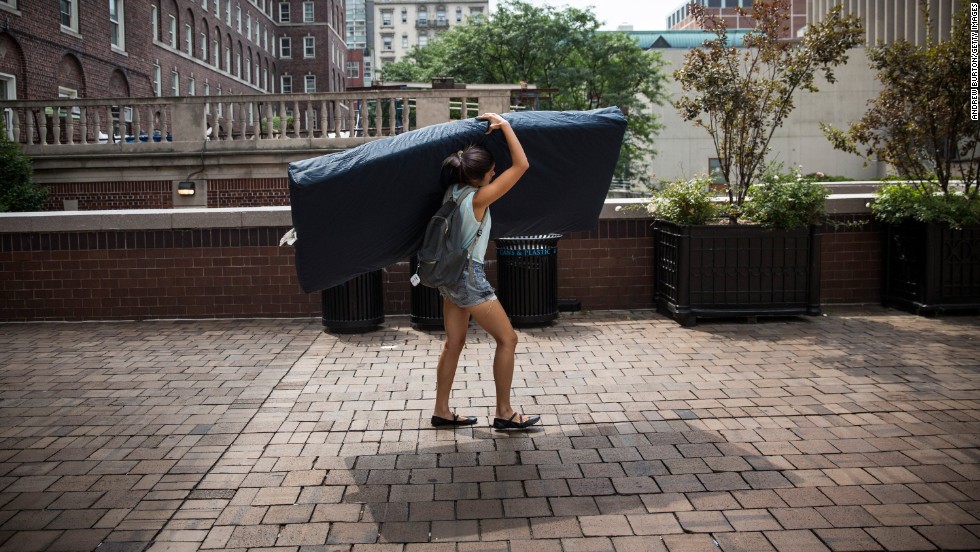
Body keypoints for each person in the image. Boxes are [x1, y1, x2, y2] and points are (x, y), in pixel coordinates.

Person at [430, 112, 540, 431]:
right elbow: (522, 165)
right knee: (508, 339)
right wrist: (505, 126)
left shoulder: (453, 192)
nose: (495, 173)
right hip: (468, 278)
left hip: (449, 277)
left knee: (453, 343)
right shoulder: (479, 199)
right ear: (480, 177)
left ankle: (441, 411)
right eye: (492, 170)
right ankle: (504, 413)